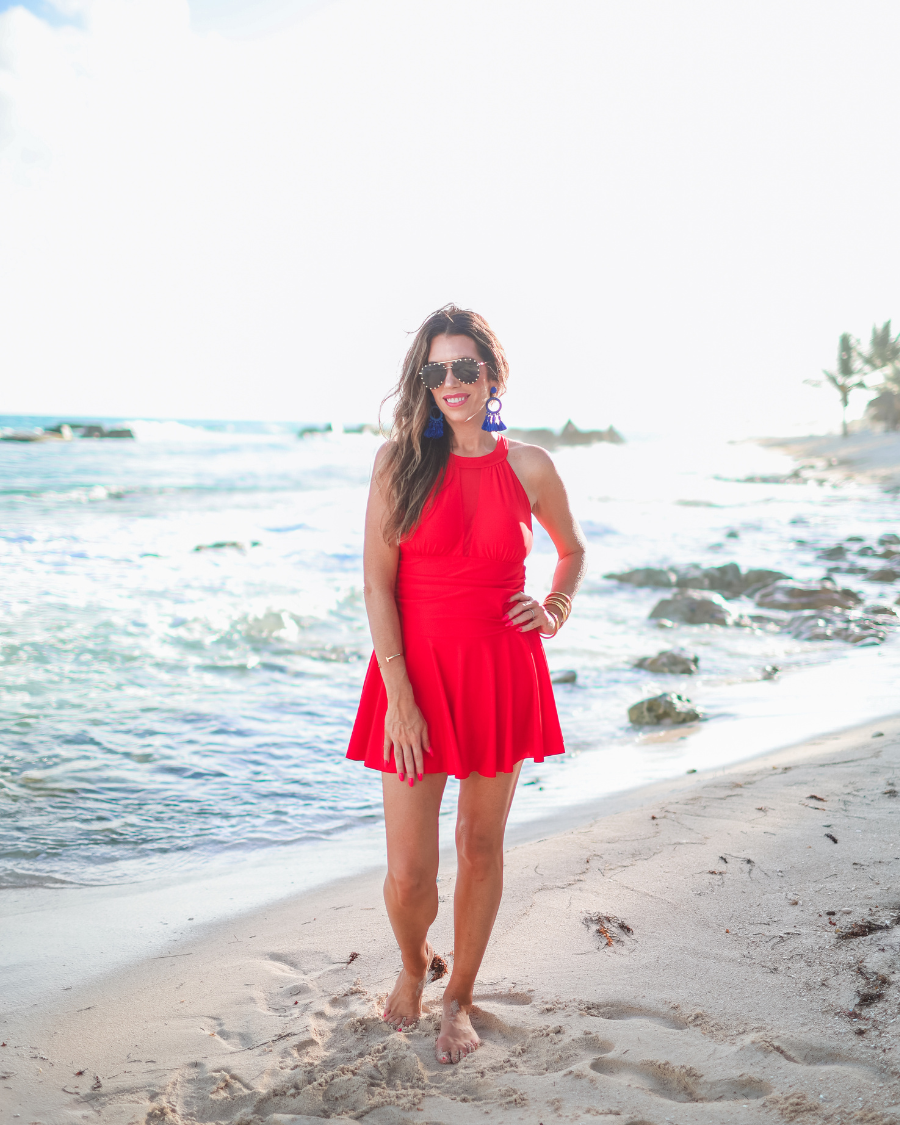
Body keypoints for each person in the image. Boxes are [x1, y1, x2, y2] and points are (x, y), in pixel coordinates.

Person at [346, 304, 586, 1064]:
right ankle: (415, 963)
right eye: (436, 370)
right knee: (409, 872)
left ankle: (458, 998)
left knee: (480, 847)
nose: (451, 382)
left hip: (498, 671)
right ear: (425, 380)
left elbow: (571, 550)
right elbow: (379, 589)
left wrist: (553, 610)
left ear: (493, 375)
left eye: (465, 368)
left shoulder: (531, 466)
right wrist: (402, 699)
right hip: (409, 678)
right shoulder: (397, 462)